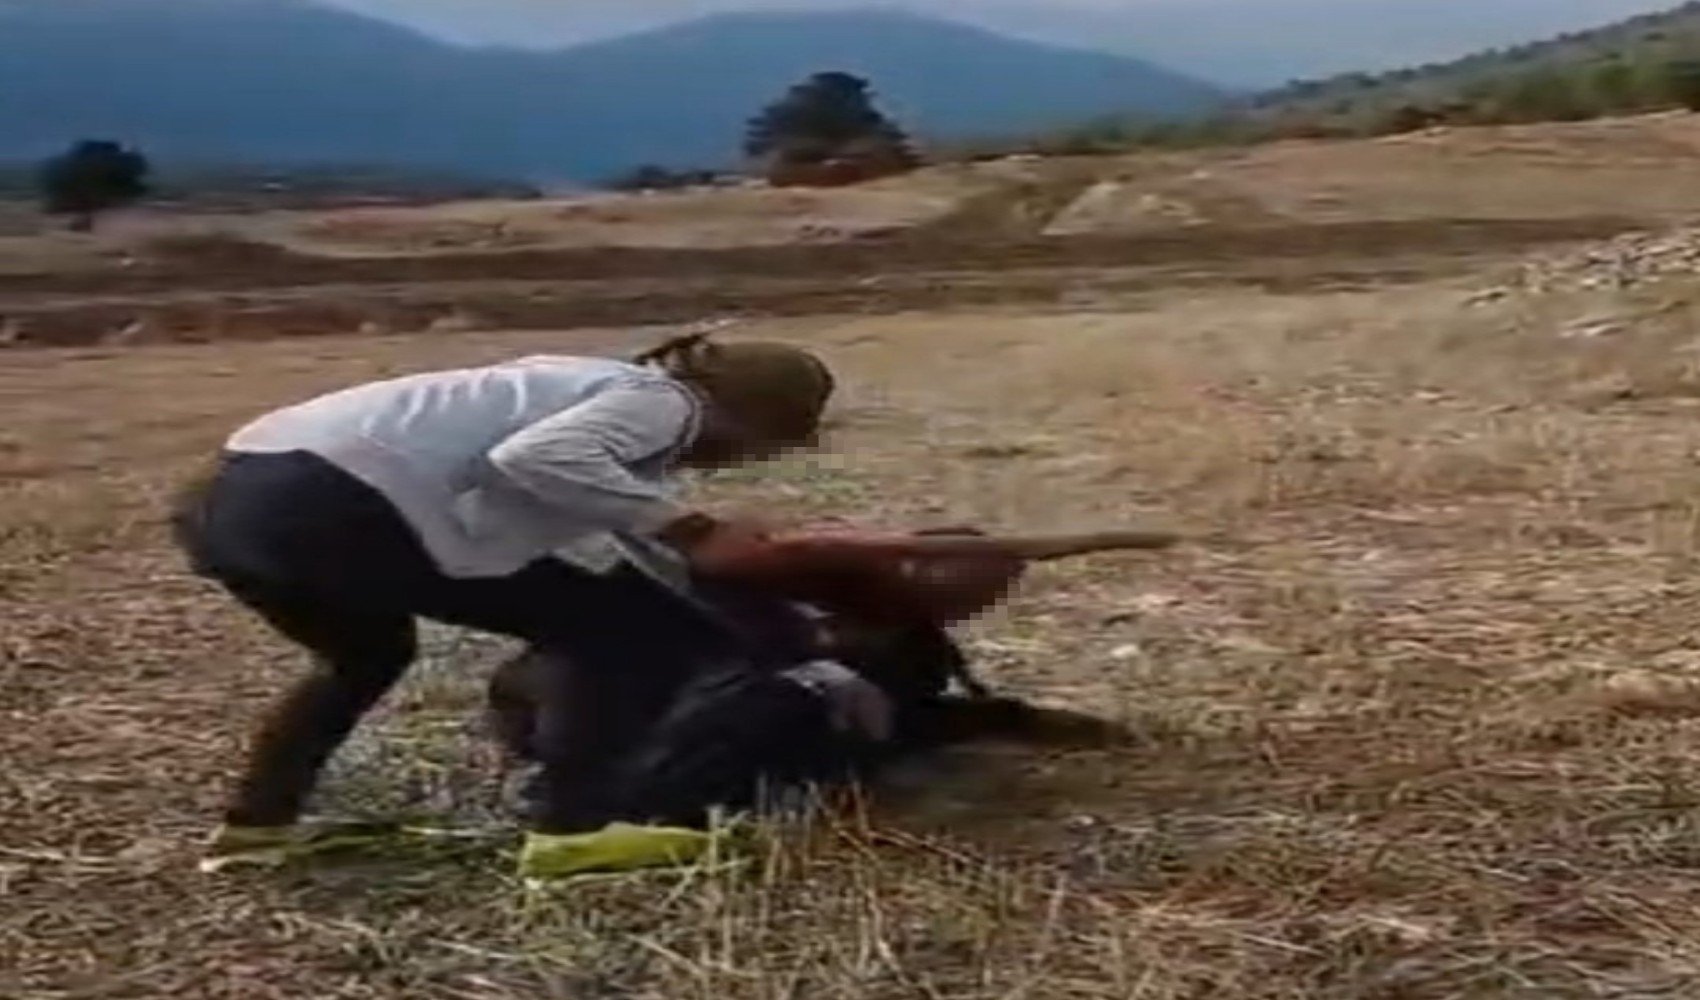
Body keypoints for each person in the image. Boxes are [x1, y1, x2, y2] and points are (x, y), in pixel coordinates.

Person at [172, 332, 856, 876]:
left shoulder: (578, 384)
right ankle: (572, 832)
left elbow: (595, 527)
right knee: (629, 634)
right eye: (763, 446)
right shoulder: (666, 404)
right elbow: (538, 460)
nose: (738, 464)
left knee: (366, 655)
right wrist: (697, 529)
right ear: (751, 415)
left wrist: (692, 555)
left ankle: (255, 828)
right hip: (337, 498)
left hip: (232, 500)